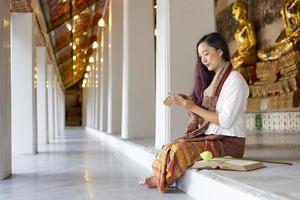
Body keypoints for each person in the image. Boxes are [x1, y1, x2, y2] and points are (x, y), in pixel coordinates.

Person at [139, 32, 249, 192]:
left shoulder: (235, 80)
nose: (203, 60)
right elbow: (207, 115)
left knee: (179, 150)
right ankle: (162, 175)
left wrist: (192, 107)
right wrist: (191, 107)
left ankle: (162, 179)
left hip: (230, 143)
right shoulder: (214, 82)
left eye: (206, 54)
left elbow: (225, 121)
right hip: (214, 138)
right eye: (200, 56)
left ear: (220, 51)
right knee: (171, 145)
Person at [231, 0, 257, 69]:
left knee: (239, 62)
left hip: (249, 55)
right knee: (230, 63)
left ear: (242, 9)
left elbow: (253, 42)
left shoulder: (248, 24)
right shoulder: (237, 29)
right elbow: (239, 47)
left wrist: (245, 52)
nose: (233, 12)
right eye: (232, 10)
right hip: (241, 55)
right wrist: (236, 54)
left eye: (236, 9)